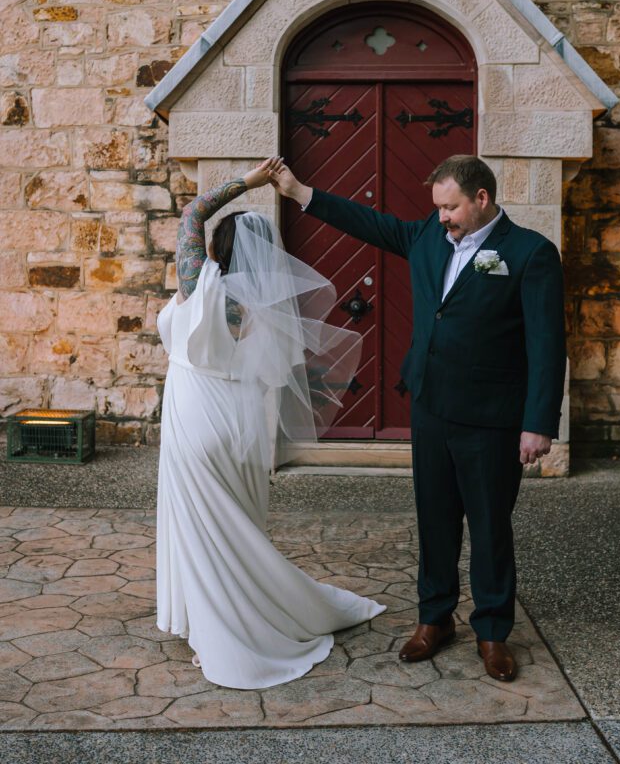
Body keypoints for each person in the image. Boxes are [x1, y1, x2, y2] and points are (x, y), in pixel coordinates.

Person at [270, 153, 566, 682]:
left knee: (491, 526)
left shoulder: (530, 254)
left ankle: (493, 631)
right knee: (434, 521)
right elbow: (373, 224)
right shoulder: (430, 236)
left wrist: (538, 422)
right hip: (431, 407)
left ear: (482, 199)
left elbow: (547, 343)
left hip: (493, 418)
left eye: (450, 207)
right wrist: (299, 193)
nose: (443, 217)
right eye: (438, 208)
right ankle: (435, 620)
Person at [155, 157, 385, 690]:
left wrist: (246, 183)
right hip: (239, 426)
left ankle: (222, 631)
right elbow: (268, 379)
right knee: (236, 529)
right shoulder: (263, 308)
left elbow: (192, 213)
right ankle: (238, 613)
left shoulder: (202, 284)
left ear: (217, 250)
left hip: (195, 419)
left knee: (205, 530)